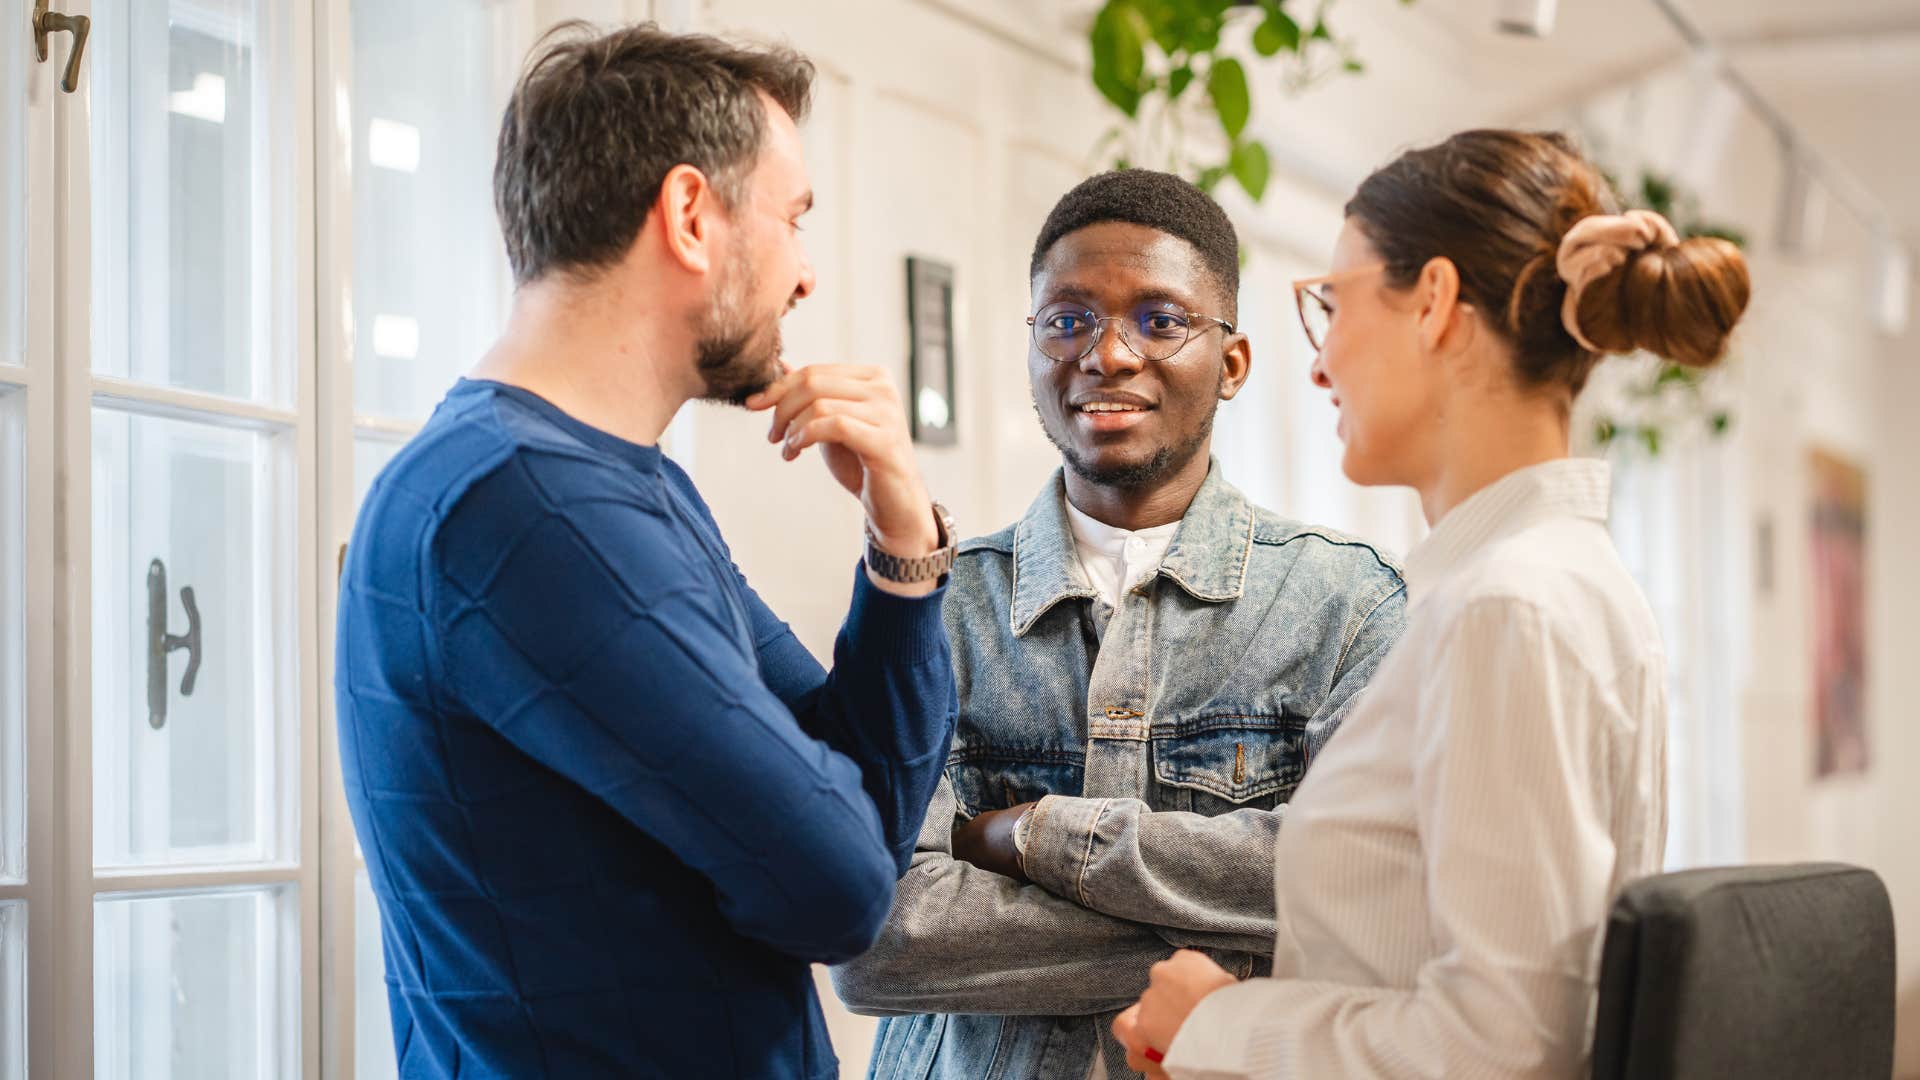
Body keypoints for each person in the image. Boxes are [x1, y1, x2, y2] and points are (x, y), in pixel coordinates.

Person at [334, 23, 960, 1079]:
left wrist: (901, 544)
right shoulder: (521, 507)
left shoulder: (622, 484)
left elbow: (870, 823)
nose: (804, 277)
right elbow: (844, 889)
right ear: (688, 215)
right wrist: (830, 813)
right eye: (794, 221)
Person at [1112, 129, 1751, 1078]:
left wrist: (1218, 1023)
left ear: (1438, 304)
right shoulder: (1540, 585)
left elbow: (1506, 1049)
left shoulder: (1511, 607)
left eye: (1333, 302)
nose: (1320, 365)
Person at [832, 169, 1407, 1080]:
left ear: (1233, 362)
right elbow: (880, 941)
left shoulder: (1346, 609)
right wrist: (1239, 936)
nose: (1107, 354)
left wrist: (1026, 839)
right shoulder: (936, 608)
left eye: (1160, 319)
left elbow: (1366, 892)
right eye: (1067, 319)